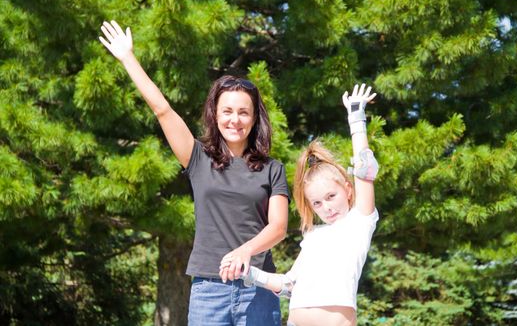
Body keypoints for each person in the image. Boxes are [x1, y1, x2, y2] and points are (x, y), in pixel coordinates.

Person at [99, 20, 289, 326]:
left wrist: (245, 251)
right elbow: (162, 109)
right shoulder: (198, 158)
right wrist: (128, 58)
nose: (235, 119)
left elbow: (278, 227)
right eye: (227, 111)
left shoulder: (272, 169)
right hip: (208, 292)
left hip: (258, 289)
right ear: (216, 115)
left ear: (255, 119)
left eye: (244, 112)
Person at [221, 83, 379, 326]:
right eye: (317, 203)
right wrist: (249, 273)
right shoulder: (314, 237)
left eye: (330, 197)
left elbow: (365, 171)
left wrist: (357, 120)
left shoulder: (359, 223)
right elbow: (288, 285)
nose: (326, 207)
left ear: (347, 190)